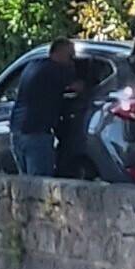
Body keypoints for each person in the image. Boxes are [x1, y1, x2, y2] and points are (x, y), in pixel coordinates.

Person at [9, 38, 82, 179]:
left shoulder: (33, 65)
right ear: (59, 53)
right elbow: (79, 87)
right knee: (40, 185)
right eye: (70, 56)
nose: (72, 60)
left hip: (17, 131)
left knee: (26, 183)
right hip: (36, 134)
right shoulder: (56, 70)